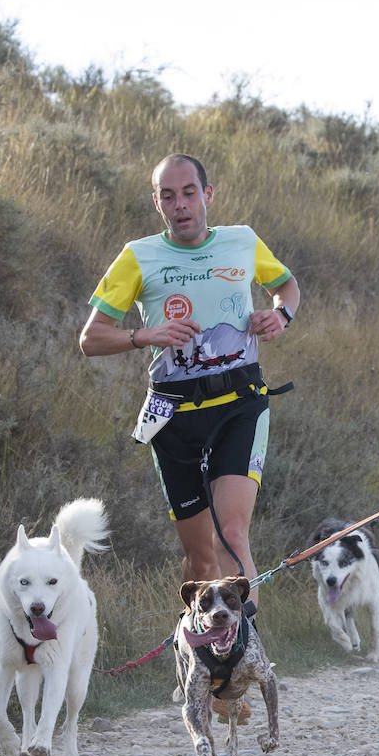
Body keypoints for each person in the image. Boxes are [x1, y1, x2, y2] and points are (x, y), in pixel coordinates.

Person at [79, 154, 300, 719]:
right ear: (158, 203)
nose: (179, 205)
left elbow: (287, 287)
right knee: (200, 561)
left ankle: (239, 669)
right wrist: (144, 334)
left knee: (232, 534)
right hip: (173, 417)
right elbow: (91, 338)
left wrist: (281, 316)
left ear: (208, 193)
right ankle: (203, 663)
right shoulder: (138, 257)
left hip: (239, 405)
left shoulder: (243, 241)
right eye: (168, 196)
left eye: (188, 193)